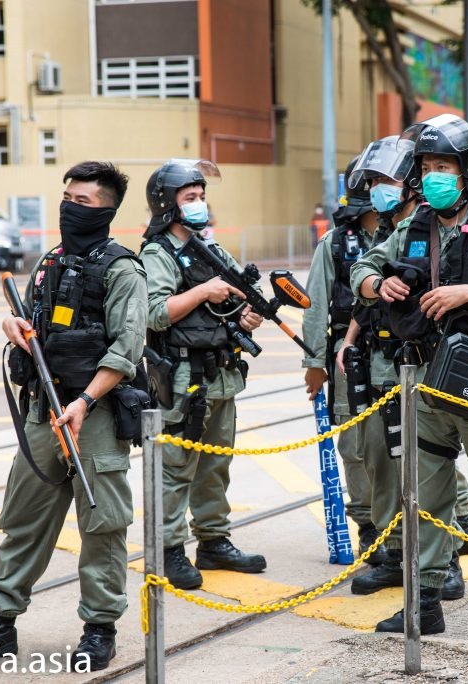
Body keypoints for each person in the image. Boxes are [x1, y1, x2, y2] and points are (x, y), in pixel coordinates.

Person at [0, 162, 147, 672]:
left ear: (108, 211)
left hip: (89, 415)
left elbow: (127, 348)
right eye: (67, 196)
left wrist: (85, 402)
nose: (71, 206)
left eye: (84, 201)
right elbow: (32, 322)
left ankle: (99, 629)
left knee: (102, 526)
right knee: (24, 521)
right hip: (42, 412)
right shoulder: (50, 263)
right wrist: (14, 325)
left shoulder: (122, 269)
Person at [351, 114, 468, 645]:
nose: (435, 176)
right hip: (425, 385)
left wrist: (465, 293)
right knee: (427, 503)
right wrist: (376, 284)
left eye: (444, 167)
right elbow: (363, 268)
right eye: (428, 167)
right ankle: (426, 604)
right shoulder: (411, 229)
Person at [337, 136, 468, 599]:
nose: (381, 192)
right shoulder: (389, 234)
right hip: (386, 367)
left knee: (431, 469)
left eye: (389, 182)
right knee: (386, 467)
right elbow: (360, 290)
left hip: (429, 366)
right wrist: (346, 339)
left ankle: (444, 561)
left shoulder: (437, 230)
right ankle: (394, 553)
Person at [139, 158, 266, 591]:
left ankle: (213, 541)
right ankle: (169, 550)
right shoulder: (157, 254)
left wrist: (247, 314)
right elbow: (155, 314)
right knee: (176, 469)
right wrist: (202, 291)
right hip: (180, 379)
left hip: (220, 375)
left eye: (202, 196)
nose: (199, 204)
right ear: (167, 204)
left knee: (215, 465)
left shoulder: (207, 246)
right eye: (190, 197)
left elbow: (236, 295)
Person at [300, 154, 384, 566]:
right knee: (353, 446)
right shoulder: (335, 243)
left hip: (394, 355)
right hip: (346, 359)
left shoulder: (406, 233)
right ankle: (368, 527)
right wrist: (314, 363)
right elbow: (315, 305)